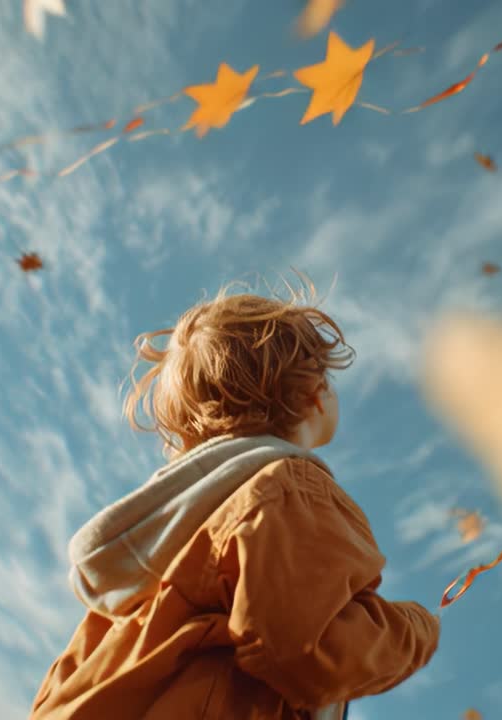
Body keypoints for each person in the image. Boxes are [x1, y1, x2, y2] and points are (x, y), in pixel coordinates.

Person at [28, 279, 441, 720]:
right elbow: (302, 647)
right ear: (312, 395)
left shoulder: (145, 567)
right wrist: (417, 629)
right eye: (328, 381)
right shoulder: (291, 488)